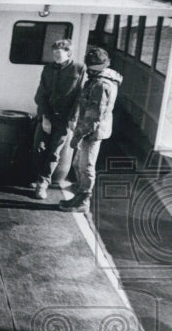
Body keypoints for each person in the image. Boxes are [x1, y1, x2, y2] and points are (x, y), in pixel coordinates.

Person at [59, 47, 123, 213]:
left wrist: (77, 137)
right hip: (90, 129)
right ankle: (80, 194)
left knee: (86, 166)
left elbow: (93, 117)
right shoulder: (103, 80)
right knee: (78, 164)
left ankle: (83, 200)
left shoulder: (100, 85)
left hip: (91, 133)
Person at [30, 38, 86, 200]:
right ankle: (37, 177)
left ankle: (42, 184)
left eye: (58, 53)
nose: (55, 56)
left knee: (54, 152)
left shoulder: (79, 68)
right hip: (47, 115)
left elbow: (79, 96)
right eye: (53, 53)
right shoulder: (48, 69)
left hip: (64, 119)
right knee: (38, 148)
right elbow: (41, 95)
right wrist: (45, 118)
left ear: (68, 52)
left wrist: (73, 118)